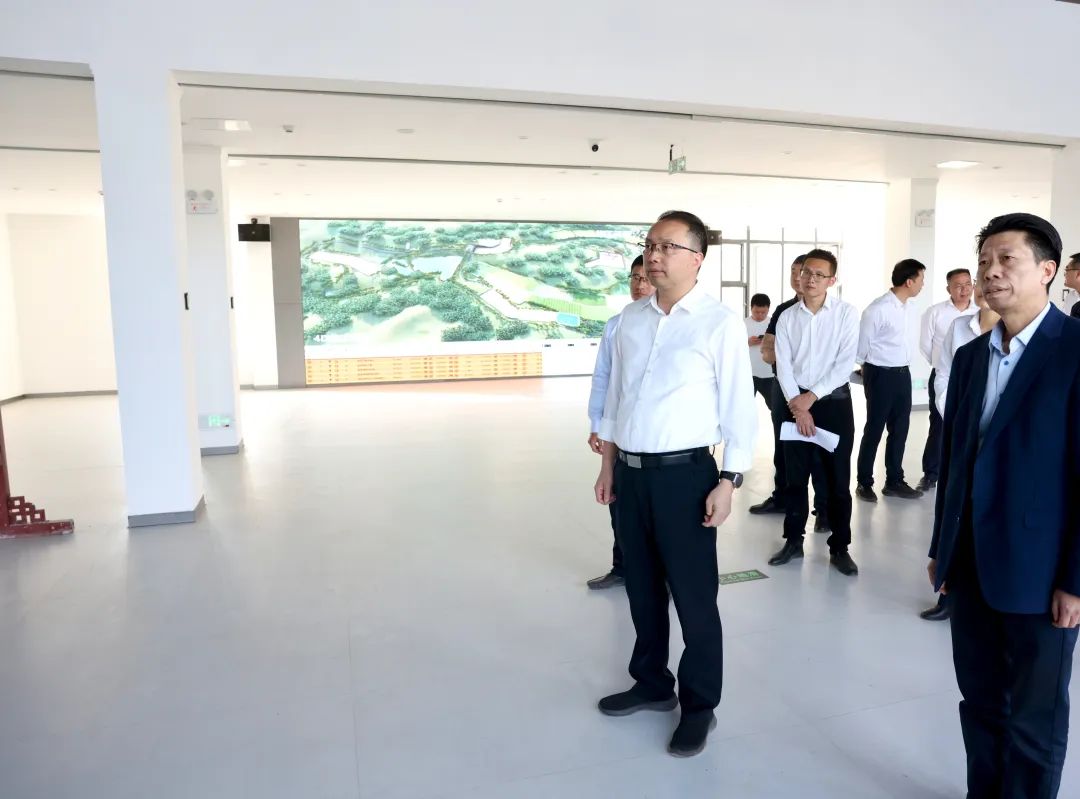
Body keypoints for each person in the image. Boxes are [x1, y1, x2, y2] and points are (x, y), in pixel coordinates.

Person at [594, 210, 756, 758]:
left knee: (693, 597)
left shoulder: (718, 323)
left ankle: (700, 705)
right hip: (631, 475)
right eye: (649, 245)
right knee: (641, 588)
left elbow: (738, 408)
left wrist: (729, 480)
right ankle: (651, 682)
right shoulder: (629, 320)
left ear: (697, 259)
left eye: (667, 246)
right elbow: (616, 399)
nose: (654, 256)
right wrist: (608, 465)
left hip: (687, 477)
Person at [928, 213, 1080, 797]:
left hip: (1041, 573)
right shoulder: (971, 357)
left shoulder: (1074, 351)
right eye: (984, 261)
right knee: (981, 701)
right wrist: (943, 549)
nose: (990, 272)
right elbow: (955, 463)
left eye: (1006, 259)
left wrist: (1075, 581)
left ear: (1047, 271)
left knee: (1034, 717)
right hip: (970, 565)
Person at [766, 249, 859, 575]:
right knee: (795, 477)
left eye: (820, 275)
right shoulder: (788, 316)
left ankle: (840, 547)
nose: (810, 279)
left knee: (838, 481)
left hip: (834, 404)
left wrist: (811, 397)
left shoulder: (846, 314)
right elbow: (783, 365)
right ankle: (793, 541)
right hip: (794, 404)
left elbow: (844, 364)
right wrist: (799, 405)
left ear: (832, 280)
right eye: (806, 272)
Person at [918, 283, 999, 622]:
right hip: (962, 428)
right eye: (983, 268)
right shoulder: (960, 327)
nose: (986, 281)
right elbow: (944, 372)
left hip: (995, 441)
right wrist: (952, 412)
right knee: (955, 510)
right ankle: (948, 595)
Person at [586, 255, 656, 590]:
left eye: (646, 278)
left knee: (656, 516)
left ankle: (659, 577)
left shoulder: (670, 324)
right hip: (620, 430)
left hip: (655, 435)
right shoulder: (616, 324)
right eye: (634, 278)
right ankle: (622, 567)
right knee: (618, 504)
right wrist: (596, 423)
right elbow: (603, 377)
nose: (639, 285)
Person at [750, 255, 830, 533]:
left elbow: (829, 356)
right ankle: (782, 498)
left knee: (819, 451)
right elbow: (768, 352)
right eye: (795, 271)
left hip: (819, 392)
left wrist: (787, 353)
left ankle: (824, 510)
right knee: (784, 447)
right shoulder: (784, 311)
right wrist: (785, 356)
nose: (799, 277)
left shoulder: (830, 312)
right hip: (784, 388)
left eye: (804, 272)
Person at [854, 259, 926, 501]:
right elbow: (861, 347)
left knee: (900, 429)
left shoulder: (910, 308)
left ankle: (894, 481)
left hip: (903, 374)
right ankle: (864, 483)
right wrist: (867, 369)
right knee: (874, 429)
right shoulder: (877, 309)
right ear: (909, 281)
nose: (922, 285)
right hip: (880, 374)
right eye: (921, 279)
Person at [916, 268, 976, 492]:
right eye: (958, 285)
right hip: (944, 374)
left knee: (971, 423)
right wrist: (940, 364)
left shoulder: (981, 311)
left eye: (968, 284)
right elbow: (925, 345)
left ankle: (963, 474)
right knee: (939, 424)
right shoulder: (935, 312)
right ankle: (931, 474)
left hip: (973, 375)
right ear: (948, 288)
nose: (964, 289)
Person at [745, 293, 773, 407]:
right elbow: (732, 347)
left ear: (768, 310)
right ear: (751, 308)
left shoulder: (774, 324)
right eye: (756, 312)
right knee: (745, 406)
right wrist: (747, 343)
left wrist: (769, 342)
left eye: (763, 312)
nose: (760, 315)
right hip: (748, 373)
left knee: (774, 407)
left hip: (770, 373)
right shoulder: (742, 324)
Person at [1064, 252, 1080, 317]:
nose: (1065, 274)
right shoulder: (1070, 297)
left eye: (1067, 269)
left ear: (1078, 273)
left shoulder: (1076, 308)